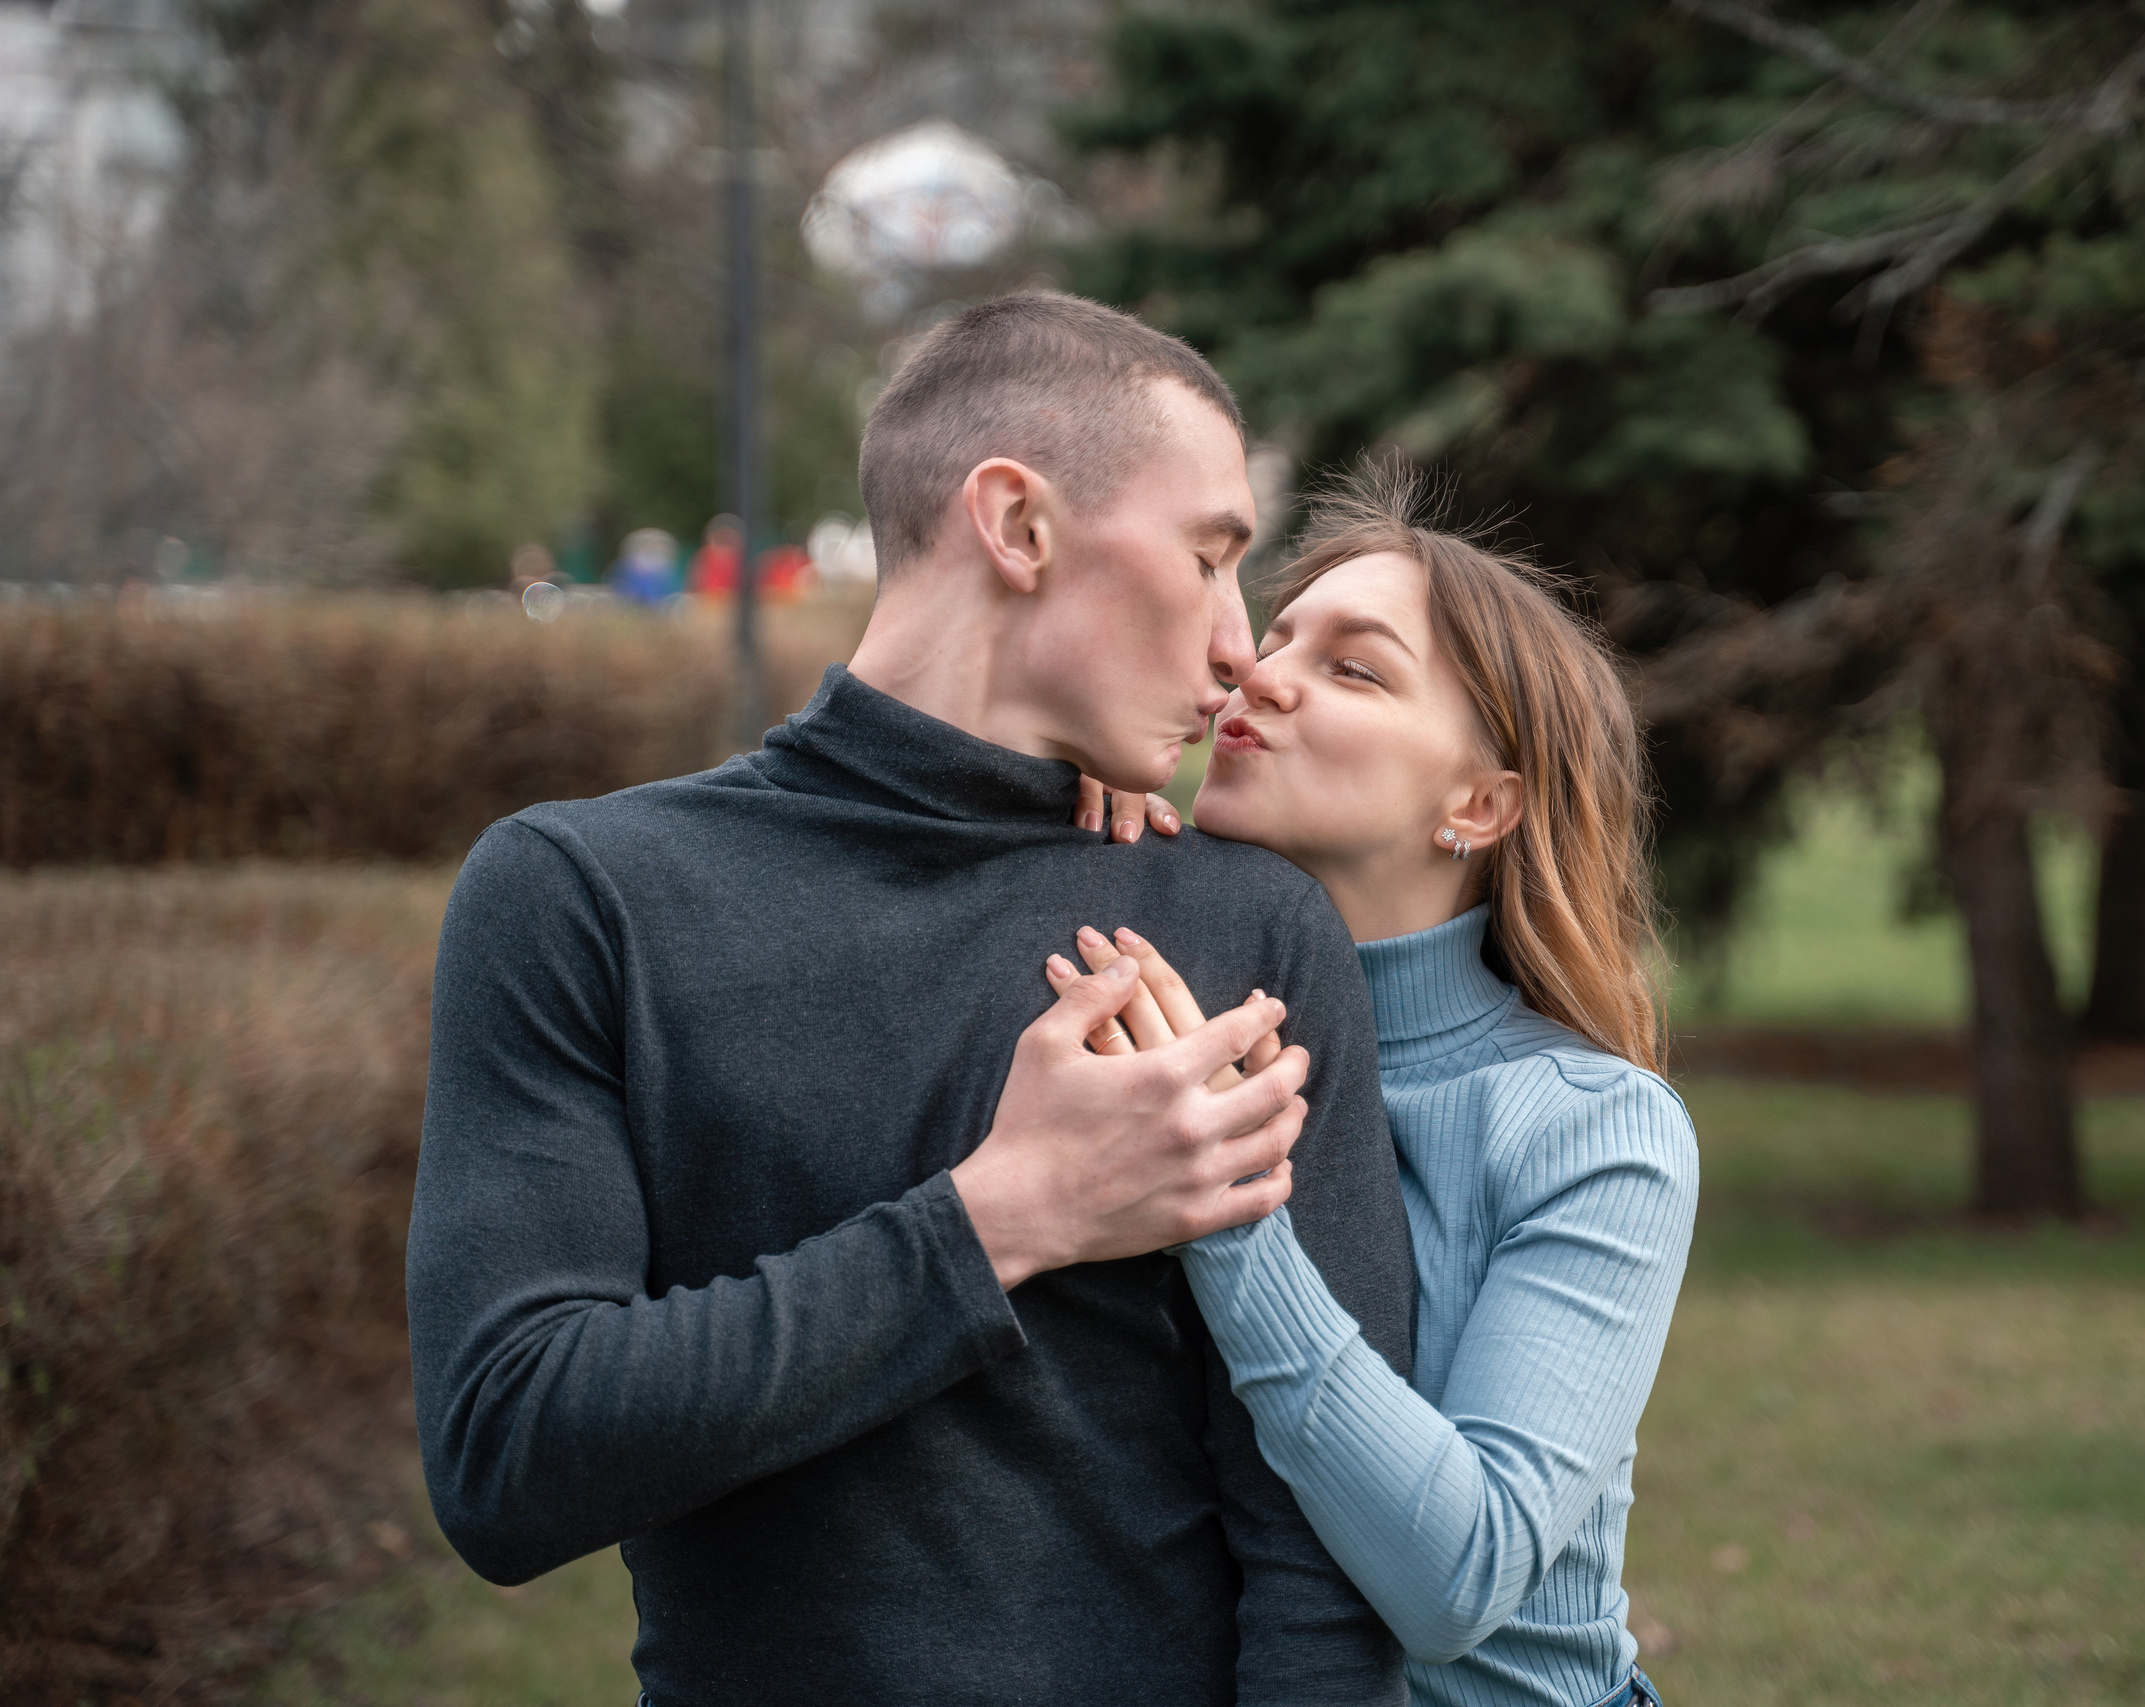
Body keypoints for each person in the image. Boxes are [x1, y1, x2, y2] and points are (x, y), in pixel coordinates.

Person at [407, 294, 1416, 1707]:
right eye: (1206, 558)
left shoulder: (1239, 922)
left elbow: (1322, 1552)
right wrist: (1006, 1214)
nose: (1241, 645)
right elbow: (507, 1454)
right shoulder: (586, 896)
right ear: (1016, 523)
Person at [1058, 466, 1698, 1707]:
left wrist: (1228, 1206)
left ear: (1479, 803)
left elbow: (1460, 1577)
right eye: (1275, 637)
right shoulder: (1142, 1009)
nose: (1261, 675)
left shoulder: (1593, 1131)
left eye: (1354, 668)